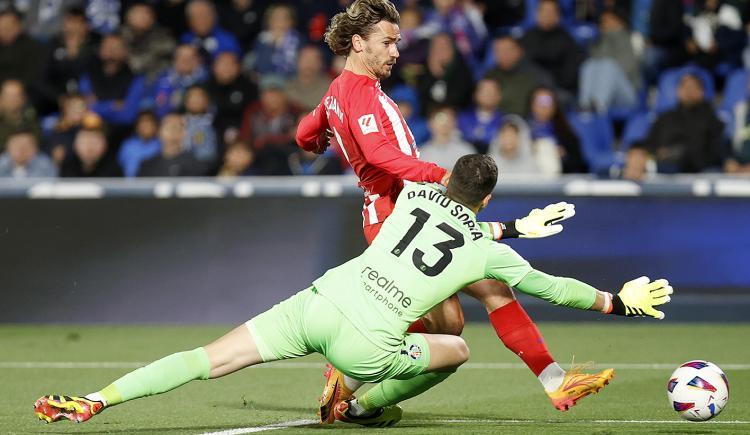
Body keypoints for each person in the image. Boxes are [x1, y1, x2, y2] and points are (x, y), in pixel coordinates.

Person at [33, 154, 673, 427]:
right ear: (488, 201)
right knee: (456, 348)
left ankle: (94, 400)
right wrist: (616, 300)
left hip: (319, 299)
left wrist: (503, 223)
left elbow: (437, 211)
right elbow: (554, 289)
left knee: (208, 359)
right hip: (368, 342)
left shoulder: (417, 193)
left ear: (446, 179)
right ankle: (360, 408)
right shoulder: (486, 249)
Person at [295, 0, 609, 423]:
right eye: (387, 43)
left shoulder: (338, 92)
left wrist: (317, 141)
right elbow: (379, 154)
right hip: (397, 214)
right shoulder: (362, 95)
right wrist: (439, 174)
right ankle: (352, 387)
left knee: (470, 309)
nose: (395, 52)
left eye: (397, 42)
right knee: (473, 306)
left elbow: (304, 131)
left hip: (407, 210)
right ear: (358, 42)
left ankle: (356, 393)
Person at [623, 73, 725, 180]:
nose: (688, 91)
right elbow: (650, 143)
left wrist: (672, 154)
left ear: (701, 92)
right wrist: (638, 150)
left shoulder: (711, 120)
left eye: (692, 87)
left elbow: (708, 155)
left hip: (688, 170)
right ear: (678, 91)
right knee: (636, 155)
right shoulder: (665, 118)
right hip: (657, 163)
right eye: (684, 87)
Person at [520, 0, 585, 97]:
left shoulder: (567, 40)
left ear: (558, 16)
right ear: (536, 14)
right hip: (529, 91)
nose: (547, 15)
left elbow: (571, 73)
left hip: (556, 91)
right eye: (544, 11)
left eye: (551, 12)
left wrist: (552, 85)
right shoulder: (526, 38)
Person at [483, 35, 553, 116]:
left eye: (507, 50)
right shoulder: (490, 76)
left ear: (520, 50)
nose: (503, 54)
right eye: (498, 50)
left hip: (526, 124)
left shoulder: (539, 77)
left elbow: (546, 108)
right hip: (494, 123)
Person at [527, 87, 588, 173]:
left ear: (554, 106)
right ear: (531, 105)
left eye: (548, 102)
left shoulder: (565, 131)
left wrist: (564, 157)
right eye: (540, 102)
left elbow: (579, 163)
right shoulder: (522, 129)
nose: (544, 107)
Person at [488, 114, 561, 176]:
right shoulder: (489, 166)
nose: (508, 138)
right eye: (505, 134)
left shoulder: (532, 164)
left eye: (512, 135)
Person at [138, 113, 208, 177]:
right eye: (169, 126)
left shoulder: (195, 165)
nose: (173, 130)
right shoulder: (147, 165)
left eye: (178, 127)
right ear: (159, 131)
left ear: (184, 133)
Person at [121, 2, 176, 81]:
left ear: (153, 18)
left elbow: (171, 49)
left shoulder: (162, 36)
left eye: (147, 13)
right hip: (123, 81)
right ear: (128, 16)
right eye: (138, 13)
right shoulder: (119, 36)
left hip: (153, 80)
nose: (143, 17)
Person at [151, 44, 209, 118]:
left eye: (190, 57)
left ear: (198, 60)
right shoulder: (163, 79)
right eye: (181, 56)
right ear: (174, 60)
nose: (185, 60)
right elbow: (159, 107)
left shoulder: (206, 79)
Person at [457, 78, 503, 153]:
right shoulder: (462, 118)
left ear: (499, 96)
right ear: (475, 94)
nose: (488, 94)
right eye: (484, 90)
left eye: (491, 91)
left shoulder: (505, 120)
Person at [284, 45, 333, 111]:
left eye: (314, 59)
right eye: (305, 58)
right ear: (297, 61)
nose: (309, 63)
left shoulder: (329, 88)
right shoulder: (287, 87)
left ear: (320, 63)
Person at [0, 79, 41, 152]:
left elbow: (37, 143)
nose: (12, 100)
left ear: (24, 98)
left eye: (16, 95)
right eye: (8, 96)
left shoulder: (30, 118)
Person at [118, 111, 161, 177]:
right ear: (137, 127)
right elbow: (120, 167)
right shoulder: (128, 145)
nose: (146, 127)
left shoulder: (161, 144)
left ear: (155, 127)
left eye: (149, 124)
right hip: (129, 185)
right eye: (143, 124)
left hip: (154, 184)